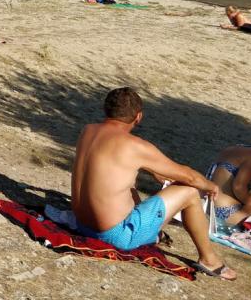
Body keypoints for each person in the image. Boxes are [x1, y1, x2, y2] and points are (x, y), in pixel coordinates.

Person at [69, 87, 234, 280]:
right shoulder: (135, 145)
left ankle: (148, 233)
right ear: (138, 117)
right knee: (189, 192)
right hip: (114, 236)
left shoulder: (88, 130)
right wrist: (211, 186)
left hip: (81, 225)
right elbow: (190, 177)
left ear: (106, 110)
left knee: (129, 186)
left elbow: (111, 162)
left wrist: (154, 170)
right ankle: (209, 259)